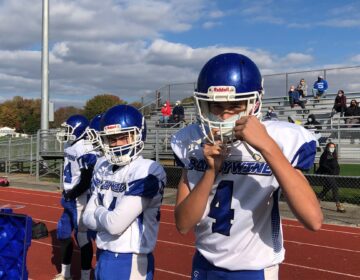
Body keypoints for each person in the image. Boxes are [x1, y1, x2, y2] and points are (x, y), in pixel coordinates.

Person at [171, 53, 322, 279]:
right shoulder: (192, 142)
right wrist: (210, 172)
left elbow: (313, 219)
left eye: (235, 105)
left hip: (254, 269)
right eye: (216, 106)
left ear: (255, 103)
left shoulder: (280, 138)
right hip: (203, 265)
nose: (224, 115)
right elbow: (183, 225)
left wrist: (267, 147)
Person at [83, 104, 166, 280]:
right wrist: (104, 216)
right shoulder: (104, 167)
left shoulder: (146, 170)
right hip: (103, 253)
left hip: (130, 259)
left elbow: (115, 224)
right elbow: (86, 219)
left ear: (138, 135)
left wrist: (98, 210)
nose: (118, 144)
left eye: (124, 137)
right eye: (113, 139)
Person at [55, 115, 98, 280]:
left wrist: (72, 193)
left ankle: (85, 277)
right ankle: (65, 274)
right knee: (63, 234)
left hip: (80, 198)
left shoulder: (85, 148)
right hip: (69, 197)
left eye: (68, 129)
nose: (65, 132)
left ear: (79, 130)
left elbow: (87, 179)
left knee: (82, 237)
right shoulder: (70, 144)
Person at [316, 142, 346, 213]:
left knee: (326, 189)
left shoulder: (333, 155)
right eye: (331, 147)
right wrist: (331, 171)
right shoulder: (325, 155)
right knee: (335, 187)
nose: (332, 149)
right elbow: (323, 165)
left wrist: (337, 172)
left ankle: (316, 202)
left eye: (333, 147)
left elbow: (336, 166)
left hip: (333, 175)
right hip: (326, 175)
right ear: (327, 148)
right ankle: (338, 205)